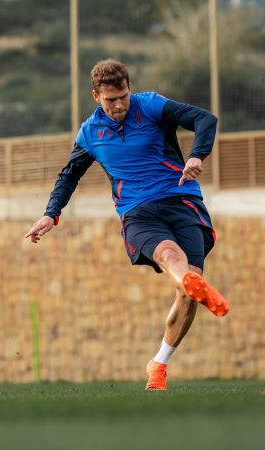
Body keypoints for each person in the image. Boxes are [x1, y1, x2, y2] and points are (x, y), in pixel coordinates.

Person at [24, 59, 230, 391]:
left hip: (182, 200)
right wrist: (51, 213)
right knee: (168, 255)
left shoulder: (150, 106)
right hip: (137, 212)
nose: (119, 105)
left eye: (123, 96)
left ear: (129, 88)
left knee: (188, 299)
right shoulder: (90, 133)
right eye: (110, 100)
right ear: (96, 96)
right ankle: (191, 281)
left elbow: (204, 119)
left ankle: (159, 363)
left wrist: (196, 155)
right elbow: (69, 177)